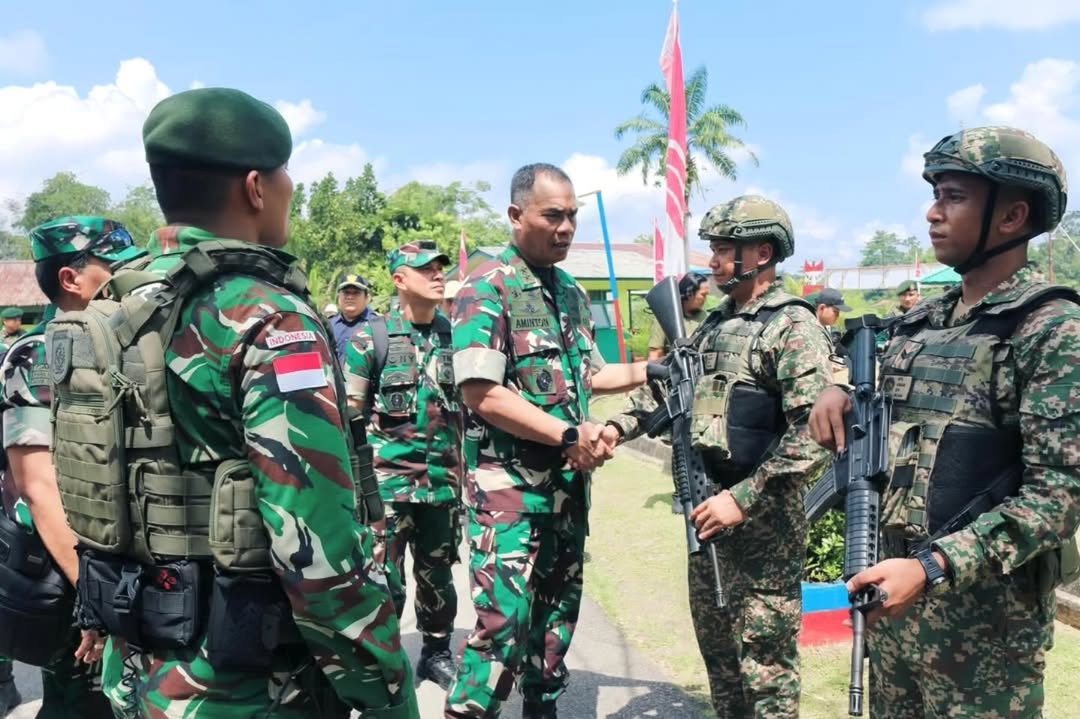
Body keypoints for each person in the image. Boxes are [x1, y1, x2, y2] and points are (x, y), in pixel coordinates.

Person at [64, 87, 416, 718]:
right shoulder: (269, 317)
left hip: (140, 668)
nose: (290, 189)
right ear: (256, 187)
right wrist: (387, 690)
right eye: (285, 175)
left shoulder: (121, 304)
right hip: (245, 688)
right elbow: (315, 545)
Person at [809, 125, 1080, 719]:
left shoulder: (1052, 329)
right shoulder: (920, 324)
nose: (932, 213)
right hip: (892, 609)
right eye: (935, 196)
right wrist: (838, 390)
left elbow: (1059, 496)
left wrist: (931, 567)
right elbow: (881, 404)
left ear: (1011, 216)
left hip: (984, 636)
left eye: (953, 197)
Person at [606, 195, 834, 718]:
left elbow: (814, 433)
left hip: (763, 532)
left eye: (724, 249)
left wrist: (743, 498)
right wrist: (614, 428)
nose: (712, 261)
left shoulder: (791, 326)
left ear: (761, 253)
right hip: (706, 520)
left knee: (766, 672)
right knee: (722, 664)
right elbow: (667, 392)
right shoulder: (714, 325)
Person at [444, 162, 646, 719]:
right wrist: (568, 433)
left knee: (556, 618)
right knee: (502, 625)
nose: (566, 228)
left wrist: (651, 370)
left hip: (566, 490)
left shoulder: (571, 292)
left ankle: (543, 707)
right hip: (509, 494)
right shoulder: (487, 287)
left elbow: (591, 376)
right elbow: (481, 392)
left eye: (572, 216)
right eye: (553, 215)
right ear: (516, 215)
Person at [1, 216, 145, 718]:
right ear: (71, 279)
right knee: (82, 704)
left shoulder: (125, 343)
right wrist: (97, 600)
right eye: (114, 267)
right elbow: (39, 487)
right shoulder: (41, 355)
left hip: (121, 571)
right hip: (70, 574)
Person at [344, 239, 462, 691]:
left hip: (443, 484)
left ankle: (436, 653)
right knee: (382, 579)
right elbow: (350, 416)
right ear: (399, 279)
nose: (437, 274)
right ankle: (386, 664)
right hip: (387, 488)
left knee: (438, 577)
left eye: (440, 267)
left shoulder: (459, 337)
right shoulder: (370, 339)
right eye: (425, 268)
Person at [647, 272, 710, 360]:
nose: (705, 299)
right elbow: (655, 355)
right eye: (703, 295)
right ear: (689, 293)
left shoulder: (707, 318)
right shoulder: (666, 317)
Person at [331, 272, 377, 363]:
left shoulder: (378, 324)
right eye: (346, 292)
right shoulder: (329, 325)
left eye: (356, 293)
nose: (350, 297)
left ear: (366, 298)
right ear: (338, 297)